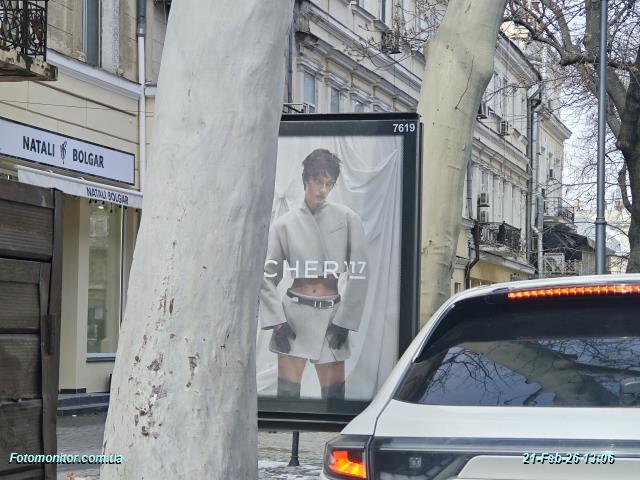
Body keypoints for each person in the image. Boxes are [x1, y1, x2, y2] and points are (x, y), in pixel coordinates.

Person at [260, 148, 369, 400]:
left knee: (334, 398)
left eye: (329, 183)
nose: (323, 189)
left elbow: (360, 273)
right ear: (306, 179)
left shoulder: (348, 219)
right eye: (318, 181)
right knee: (287, 397)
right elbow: (267, 275)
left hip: (332, 316)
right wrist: (278, 322)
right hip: (294, 317)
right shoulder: (284, 224)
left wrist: (345, 321)